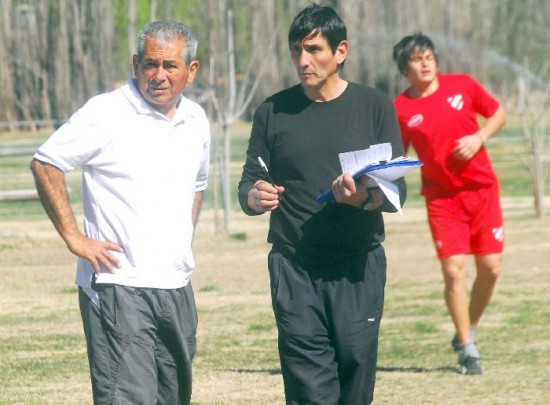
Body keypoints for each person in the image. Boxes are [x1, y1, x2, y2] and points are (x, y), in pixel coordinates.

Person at [30, 20, 210, 404]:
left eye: (169, 66)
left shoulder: (196, 120)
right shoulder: (106, 112)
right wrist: (74, 238)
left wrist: (179, 241)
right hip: (118, 286)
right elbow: (46, 163)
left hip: (177, 286)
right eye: (149, 64)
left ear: (191, 70)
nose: (158, 75)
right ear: (135, 64)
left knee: (173, 396)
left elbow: (197, 185)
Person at [238, 4, 406, 404]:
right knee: (307, 384)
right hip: (293, 263)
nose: (302, 60)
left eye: (313, 49)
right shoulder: (272, 111)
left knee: (354, 372)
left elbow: (396, 191)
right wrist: (253, 196)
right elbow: (248, 181)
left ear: (341, 51)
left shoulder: (374, 105)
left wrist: (362, 197)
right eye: (296, 50)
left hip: (357, 265)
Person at [392, 33, 507, 375]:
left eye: (429, 56)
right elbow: (399, 155)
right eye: (416, 59)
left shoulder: (464, 86)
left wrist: (480, 136)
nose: (425, 63)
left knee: (491, 268)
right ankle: (468, 349)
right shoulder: (401, 108)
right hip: (442, 199)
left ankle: (466, 327)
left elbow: (499, 113)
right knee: (454, 271)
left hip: (482, 190)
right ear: (404, 68)